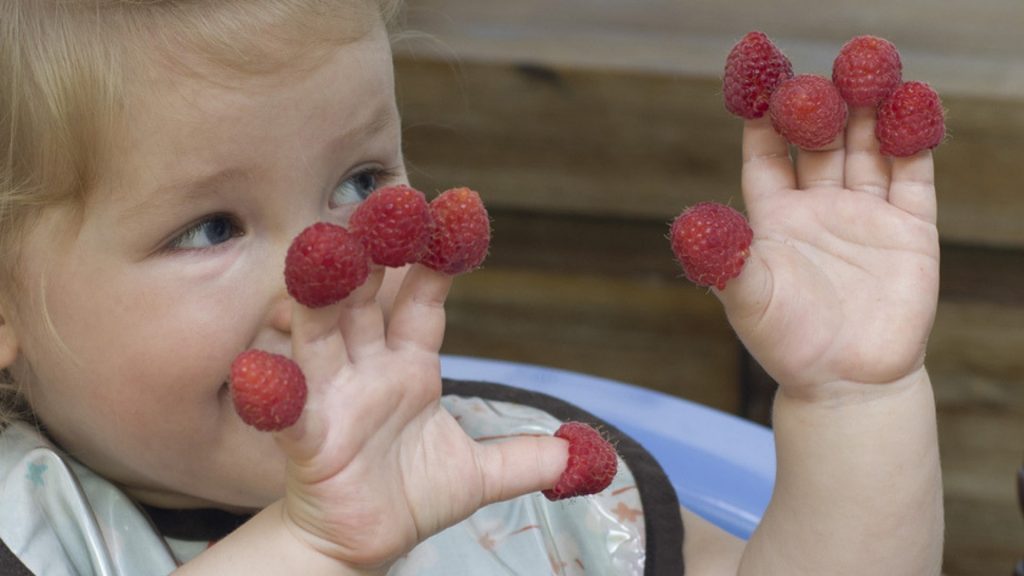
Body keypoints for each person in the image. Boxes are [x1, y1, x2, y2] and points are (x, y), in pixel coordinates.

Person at [0, 1, 944, 574]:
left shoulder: (520, 479)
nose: (327, 274)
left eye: (362, 182)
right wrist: (317, 547)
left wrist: (856, 400)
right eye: (210, 228)